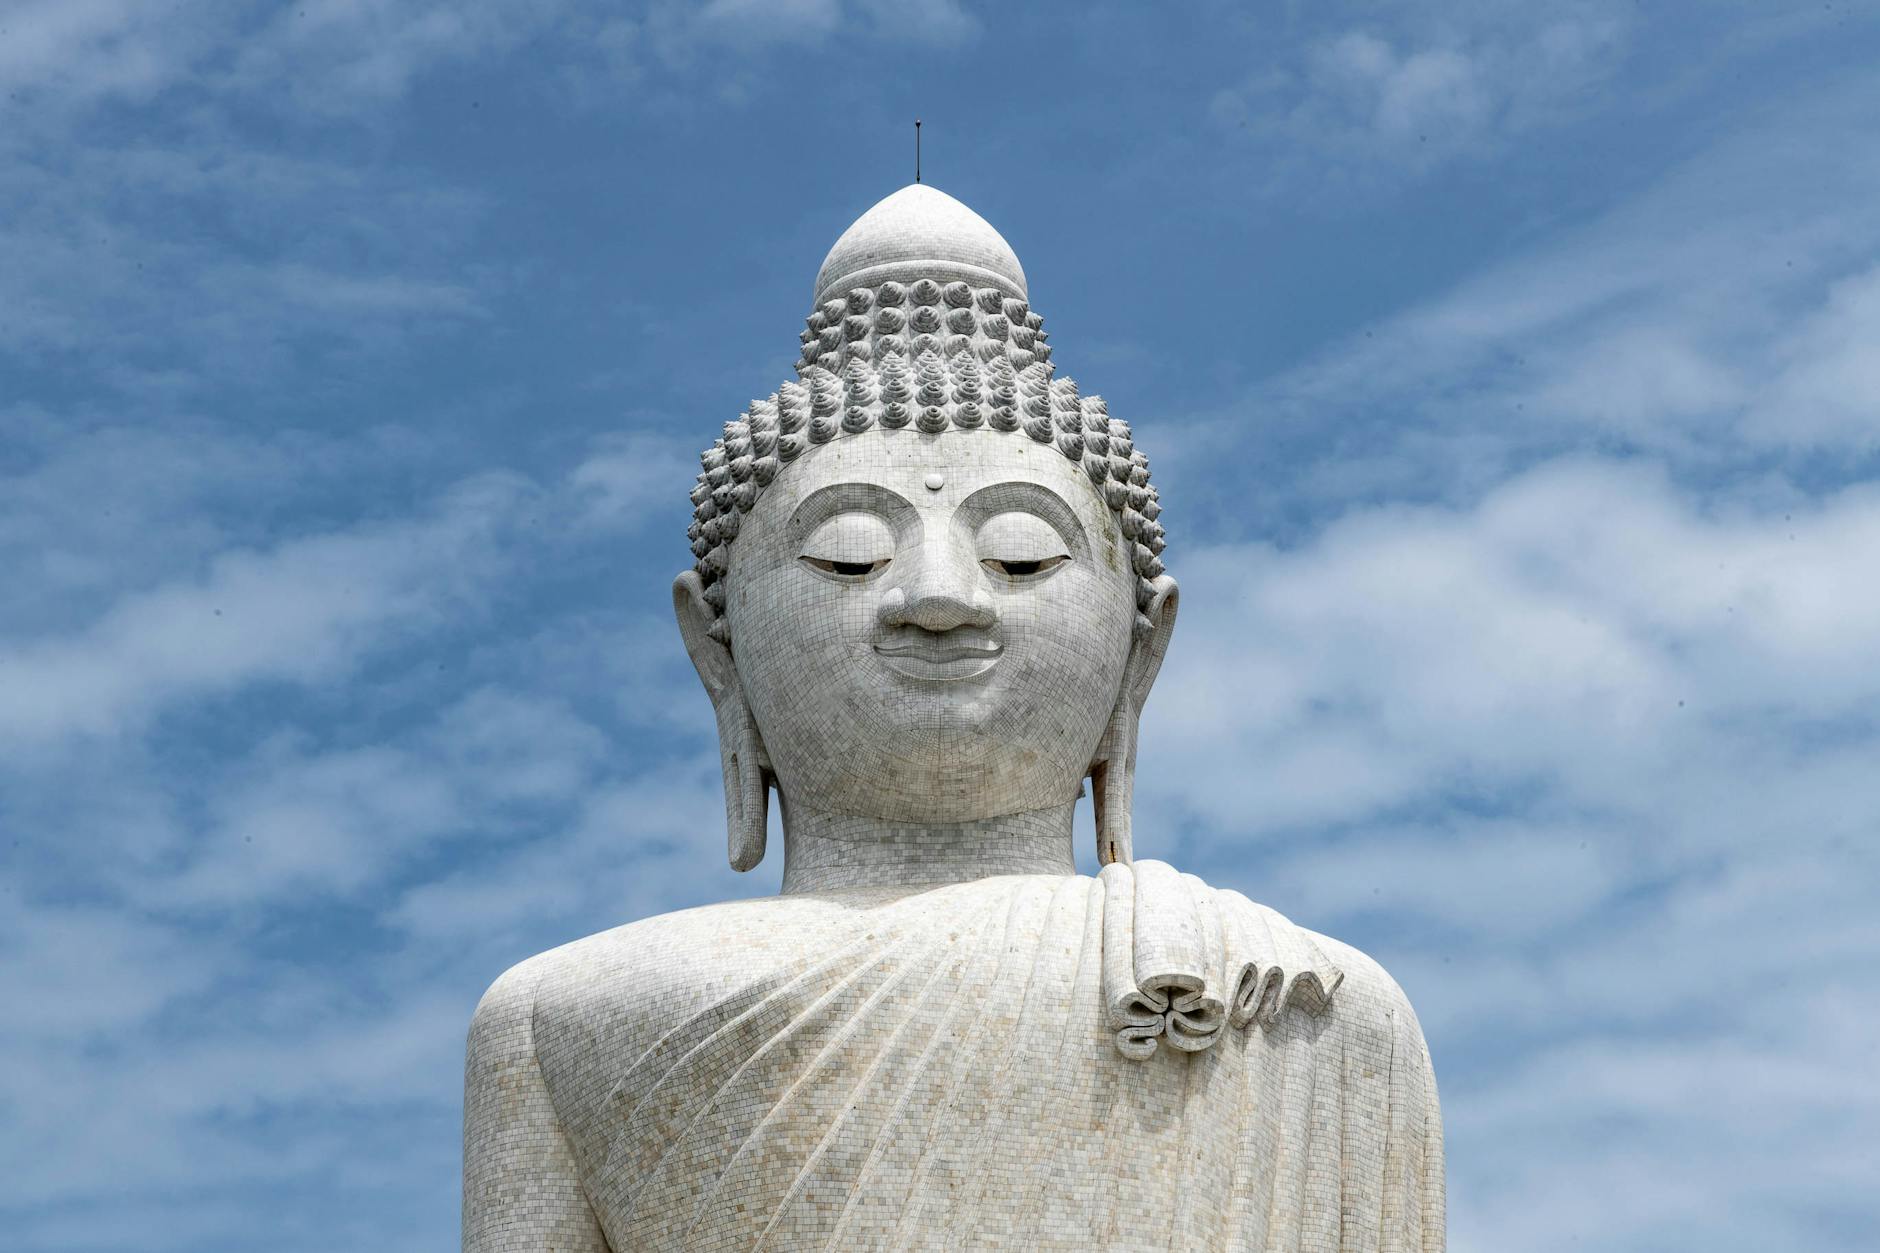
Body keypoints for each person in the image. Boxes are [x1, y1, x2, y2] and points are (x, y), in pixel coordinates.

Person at [463, 185, 1444, 1252]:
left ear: (1138, 650)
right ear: (717, 651)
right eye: (847, 553)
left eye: (1020, 552)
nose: (938, 595)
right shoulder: (561, 1017)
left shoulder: (1303, 1005)